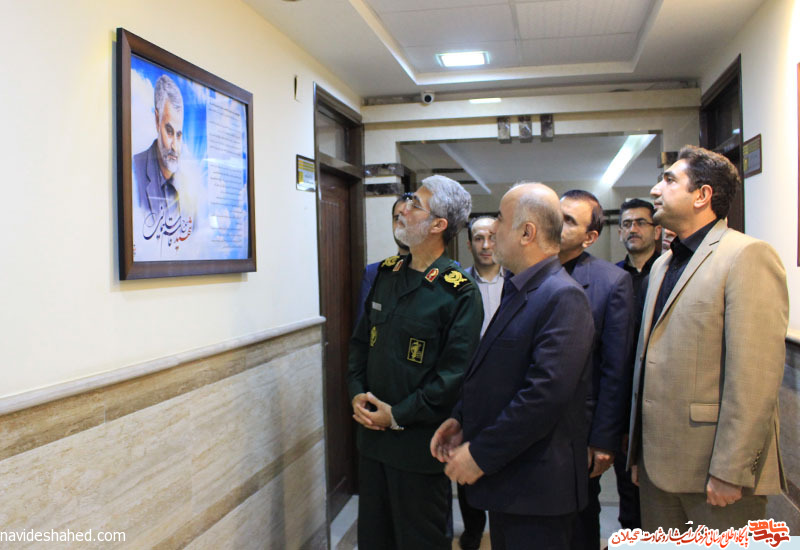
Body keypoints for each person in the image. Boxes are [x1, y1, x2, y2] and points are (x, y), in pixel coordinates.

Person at [628, 145, 789, 531]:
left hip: (715, 473)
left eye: (669, 180)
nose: (655, 190)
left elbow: (755, 377)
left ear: (702, 195)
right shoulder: (663, 263)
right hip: (656, 466)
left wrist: (732, 469)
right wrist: (638, 454)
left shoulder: (746, 255)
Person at [431, 183, 594, 550]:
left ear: (526, 232)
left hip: (538, 492)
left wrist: (480, 454)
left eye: (501, 220)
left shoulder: (562, 296)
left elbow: (543, 397)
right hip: (513, 484)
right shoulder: (521, 289)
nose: (493, 230)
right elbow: (498, 372)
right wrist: (462, 420)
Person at [347, 175, 483, 550]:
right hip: (372, 445)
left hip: (418, 449)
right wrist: (356, 393)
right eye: (407, 199)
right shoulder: (386, 274)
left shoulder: (459, 292)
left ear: (438, 225)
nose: (403, 209)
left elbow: (452, 377)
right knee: (374, 541)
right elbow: (360, 344)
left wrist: (396, 415)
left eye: (414, 204)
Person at [558, 190, 634, 550]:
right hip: (530, 426)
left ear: (589, 237)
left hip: (580, 429)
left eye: (568, 221)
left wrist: (604, 440)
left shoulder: (611, 282)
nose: (557, 224)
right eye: (555, 215)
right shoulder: (522, 272)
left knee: (578, 521)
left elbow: (615, 369)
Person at [610, 198, 662, 531]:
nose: (633, 229)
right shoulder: (612, 277)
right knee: (627, 490)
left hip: (660, 396)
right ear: (619, 232)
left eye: (641, 222)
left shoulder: (671, 271)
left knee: (661, 496)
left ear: (657, 231)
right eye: (627, 224)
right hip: (622, 397)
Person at [457, 215, 505, 550]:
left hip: (508, 387)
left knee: (504, 458)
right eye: (478, 238)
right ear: (469, 243)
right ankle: (473, 529)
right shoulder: (457, 284)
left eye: (492, 237)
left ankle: (503, 526)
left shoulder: (519, 282)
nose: (486, 245)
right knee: (467, 456)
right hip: (468, 388)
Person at [356, 196, 410, 323]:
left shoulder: (441, 274)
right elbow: (362, 329)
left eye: (409, 218)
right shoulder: (374, 273)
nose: (402, 224)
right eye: (397, 218)